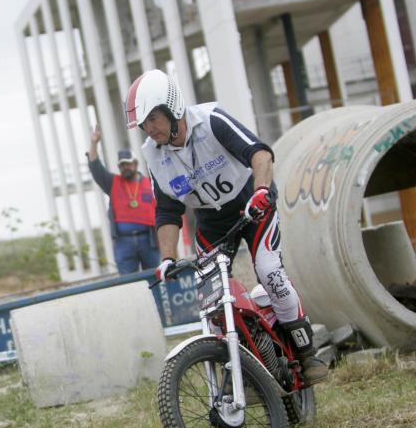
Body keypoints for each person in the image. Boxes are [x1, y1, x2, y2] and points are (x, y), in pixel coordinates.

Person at [124, 69, 327, 385]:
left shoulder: (211, 119)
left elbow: (258, 153)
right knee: (210, 300)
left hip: (250, 205)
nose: (149, 130)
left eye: (153, 119)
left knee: (269, 269)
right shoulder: (152, 155)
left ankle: (306, 352)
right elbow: (167, 211)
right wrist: (165, 259)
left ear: (171, 107)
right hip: (211, 222)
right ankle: (239, 362)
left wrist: (261, 190)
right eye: (144, 125)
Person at [87, 125, 160, 274]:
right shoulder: (113, 182)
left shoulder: (151, 183)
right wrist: (94, 142)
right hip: (123, 242)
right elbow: (95, 167)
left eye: (127, 163)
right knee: (129, 283)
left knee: (156, 279)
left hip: (149, 239)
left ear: (135, 164)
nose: (124, 167)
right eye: (121, 165)